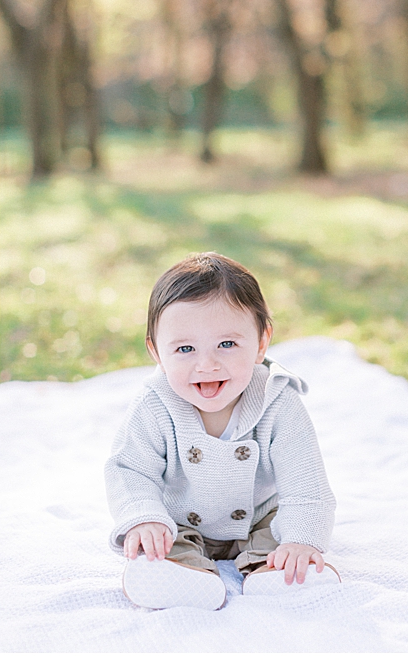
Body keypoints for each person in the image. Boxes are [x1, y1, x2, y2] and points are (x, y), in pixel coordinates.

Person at [105, 252, 339, 610]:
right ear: (156, 353)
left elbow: (305, 481)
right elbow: (130, 469)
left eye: (227, 344)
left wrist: (302, 539)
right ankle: (181, 573)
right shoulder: (155, 404)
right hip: (183, 519)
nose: (207, 364)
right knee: (163, 541)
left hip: (259, 517)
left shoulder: (278, 400)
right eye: (184, 349)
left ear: (262, 342)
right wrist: (144, 518)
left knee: (278, 532)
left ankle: (274, 570)